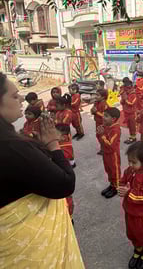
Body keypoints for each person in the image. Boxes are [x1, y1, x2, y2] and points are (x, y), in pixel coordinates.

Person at [0, 72, 84, 268]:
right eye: (14, 96)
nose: (21, 99)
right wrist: (53, 144)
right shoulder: (11, 147)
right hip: (27, 249)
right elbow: (64, 183)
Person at [119, 141, 143, 269]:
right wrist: (122, 186)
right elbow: (122, 180)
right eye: (129, 161)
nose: (130, 165)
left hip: (141, 214)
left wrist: (128, 192)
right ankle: (137, 248)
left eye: (133, 162)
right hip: (129, 210)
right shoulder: (130, 170)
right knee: (131, 232)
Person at [97, 107, 122, 199]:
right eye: (104, 115)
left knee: (114, 171)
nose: (103, 117)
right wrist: (99, 133)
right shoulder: (106, 126)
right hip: (106, 153)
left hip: (113, 155)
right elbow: (101, 141)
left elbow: (111, 145)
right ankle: (112, 184)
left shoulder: (115, 129)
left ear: (113, 119)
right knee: (108, 170)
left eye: (106, 116)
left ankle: (117, 187)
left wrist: (102, 135)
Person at [91, 88, 109, 155]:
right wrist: (92, 111)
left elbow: (106, 116)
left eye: (97, 95)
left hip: (103, 123)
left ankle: (105, 148)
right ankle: (103, 147)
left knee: (102, 136)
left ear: (103, 97)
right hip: (97, 122)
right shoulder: (96, 103)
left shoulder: (105, 105)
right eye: (96, 95)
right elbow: (93, 111)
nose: (96, 96)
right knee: (98, 135)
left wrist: (96, 112)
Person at [120, 79, 137, 145]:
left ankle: (133, 137)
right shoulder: (126, 92)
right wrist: (123, 99)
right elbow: (122, 102)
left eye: (126, 86)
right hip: (126, 111)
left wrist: (124, 97)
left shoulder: (133, 93)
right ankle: (131, 136)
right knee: (129, 125)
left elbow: (130, 103)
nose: (126, 88)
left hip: (132, 113)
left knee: (132, 125)